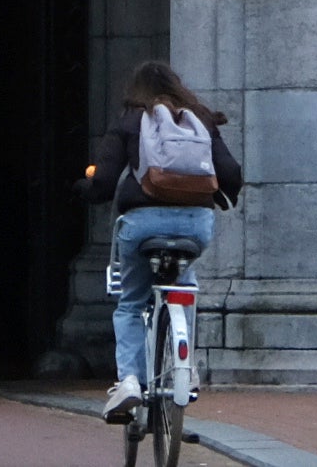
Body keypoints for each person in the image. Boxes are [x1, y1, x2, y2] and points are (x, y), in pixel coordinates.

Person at [79, 60, 242, 423]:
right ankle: (187, 368)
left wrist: (83, 190)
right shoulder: (199, 118)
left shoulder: (130, 120)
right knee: (184, 287)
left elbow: (104, 182)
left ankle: (130, 382)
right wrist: (225, 197)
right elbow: (230, 171)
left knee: (131, 302)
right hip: (195, 225)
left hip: (142, 225)